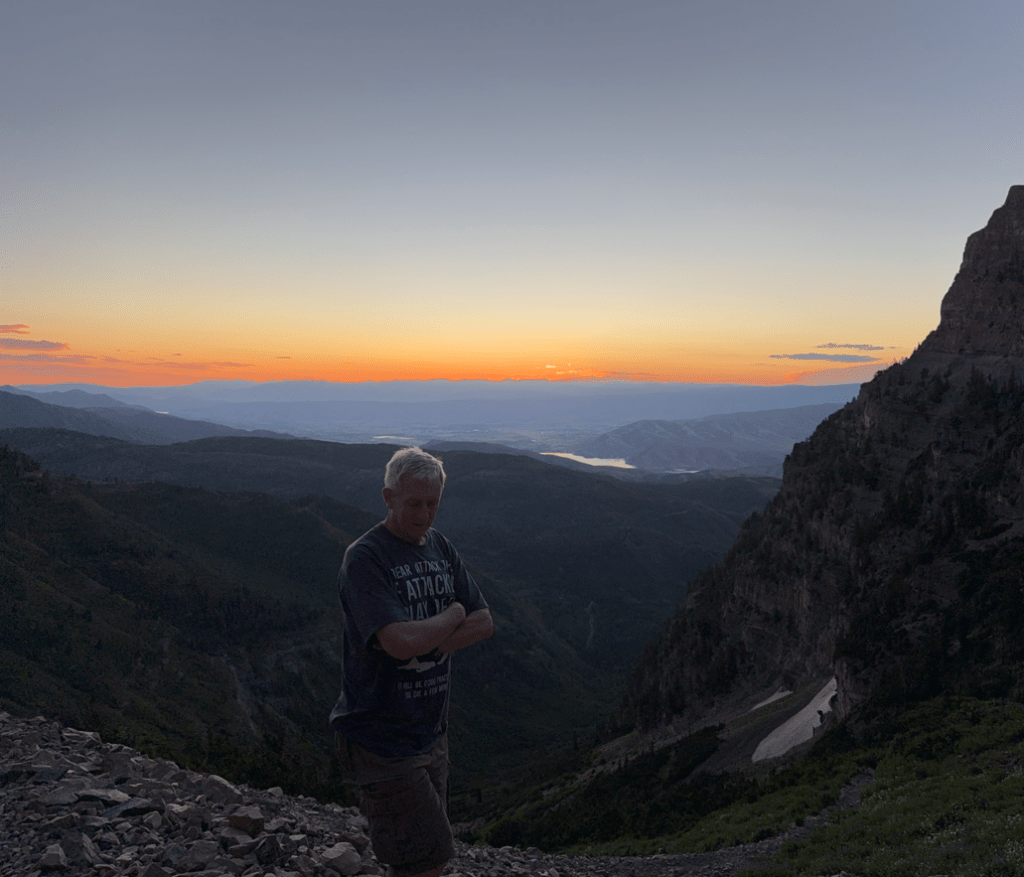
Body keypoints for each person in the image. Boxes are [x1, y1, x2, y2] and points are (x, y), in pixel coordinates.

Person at [330, 447, 493, 877]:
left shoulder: (439, 545)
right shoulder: (365, 558)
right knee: (427, 857)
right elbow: (400, 641)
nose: (424, 515)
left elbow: (486, 622)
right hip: (382, 738)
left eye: (433, 504)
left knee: (424, 858)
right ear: (389, 498)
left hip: (430, 733)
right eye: (414, 504)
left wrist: (436, 641)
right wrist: (453, 615)